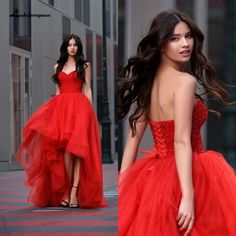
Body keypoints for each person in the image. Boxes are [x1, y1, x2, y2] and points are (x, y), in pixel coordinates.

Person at [118, 10, 236, 236]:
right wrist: (188, 196)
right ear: (161, 44)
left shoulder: (148, 83)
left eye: (188, 36)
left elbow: (132, 140)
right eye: (175, 38)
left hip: (155, 180)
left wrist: (125, 190)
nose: (185, 44)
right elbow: (181, 142)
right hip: (191, 174)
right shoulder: (185, 82)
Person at [17, 34, 107, 209]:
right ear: (65, 47)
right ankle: (66, 188)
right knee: (65, 151)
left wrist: (90, 111)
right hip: (61, 109)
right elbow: (57, 92)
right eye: (69, 45)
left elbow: (87, 88)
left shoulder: (85, 65)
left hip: (80, 109)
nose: (72, 47)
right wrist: (53, 115)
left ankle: (74, 191)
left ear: (78, 47)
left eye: (75, 45)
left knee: (78, 151)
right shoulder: (57, 66)